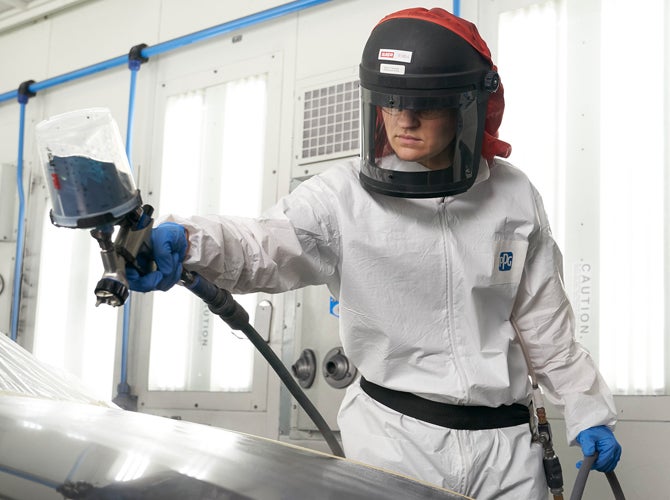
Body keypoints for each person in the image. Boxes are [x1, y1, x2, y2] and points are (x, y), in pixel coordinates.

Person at [128, 7, 621, 499]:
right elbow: (264, 243)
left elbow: (544, 325)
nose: (403, 120)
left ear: (465, 106)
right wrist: (189, 240)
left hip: (508, 451)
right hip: (394, 444)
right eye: (390, 102)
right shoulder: (344, 196)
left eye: (424, 104)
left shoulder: (512, 196)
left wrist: (588, 410)